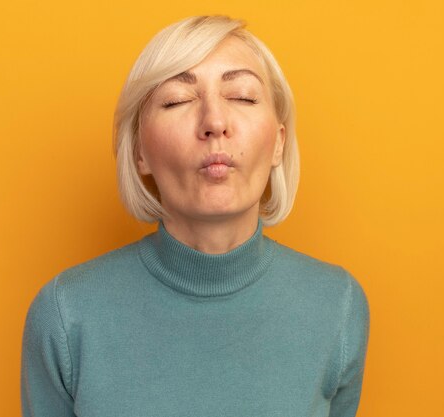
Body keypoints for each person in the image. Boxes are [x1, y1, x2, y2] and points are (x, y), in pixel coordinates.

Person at [21, 15, 369, 417]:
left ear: (278, 142)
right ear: (139, 152)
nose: (215, 123)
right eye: (177, 101)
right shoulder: (65, 315)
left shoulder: (338, 306)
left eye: (241, 96)